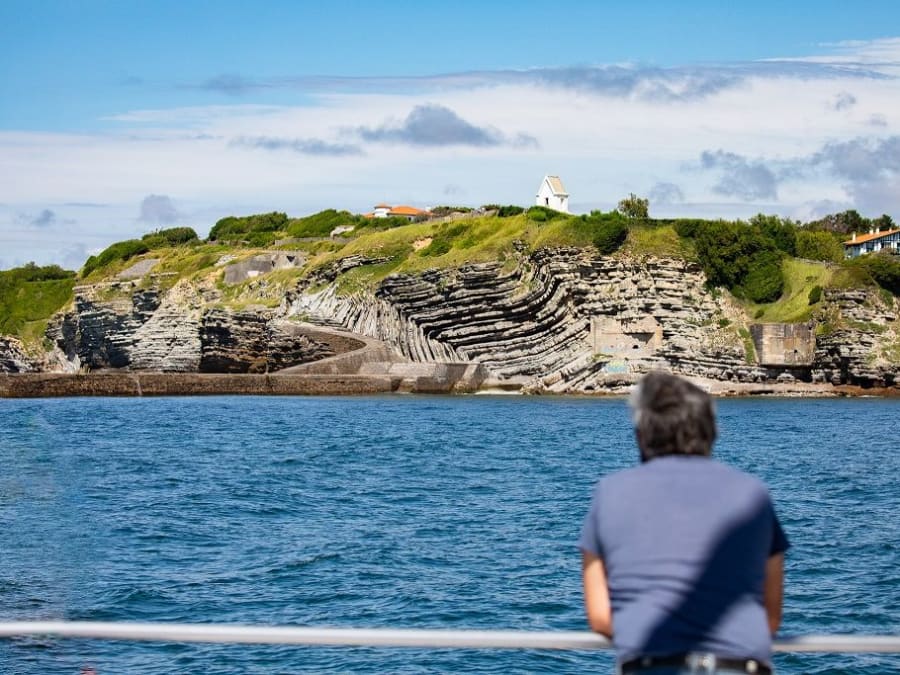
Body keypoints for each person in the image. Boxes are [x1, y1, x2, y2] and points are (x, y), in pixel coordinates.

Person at [579, 372, 788, 674]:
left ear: (641, 435)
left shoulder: (610, 492)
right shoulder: (753, 493)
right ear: (711, 433)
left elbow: (600, 616)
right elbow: (770, 615)